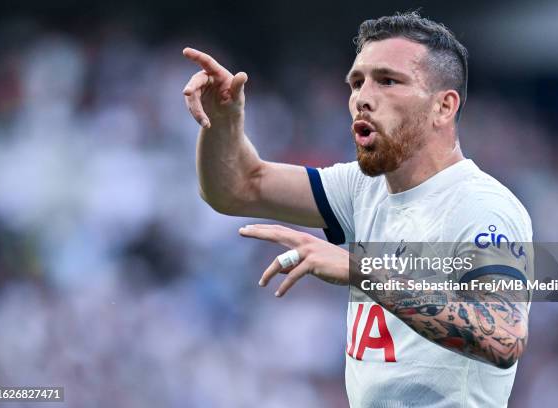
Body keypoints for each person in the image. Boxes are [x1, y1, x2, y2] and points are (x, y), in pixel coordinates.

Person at [182, 11, 532, 408]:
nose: (362, 97)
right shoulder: (362, 188)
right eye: (356, 82)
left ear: (444, 107)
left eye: (388, 80)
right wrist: (224, 120)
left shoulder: (483, 206)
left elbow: (503, 339)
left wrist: (360, 269)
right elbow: (236, 188)